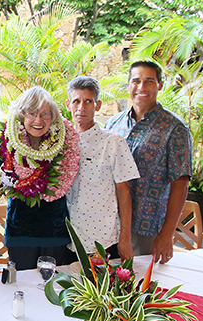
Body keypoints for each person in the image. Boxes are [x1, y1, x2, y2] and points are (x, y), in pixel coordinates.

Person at [105, 61, 192, 264]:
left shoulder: (175, 129)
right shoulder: (113, 124)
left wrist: (167, 234)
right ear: (128, 85)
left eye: (149, 81)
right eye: (136, 81)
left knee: (140, 286)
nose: (141, 87)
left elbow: (180, 184)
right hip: (109, 225)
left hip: (146, 229)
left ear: (159, 85)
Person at [0, 86, 80, 270]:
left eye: (45, 114)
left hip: (55, 231)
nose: (38, 120)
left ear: (53, 117)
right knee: (23, 285)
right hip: (20, 230)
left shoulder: (64, 138)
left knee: (51, 289)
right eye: (32, 113)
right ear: (22, 115)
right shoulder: (8, 137)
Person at [64, 76, 139, 263]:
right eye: (76, 101)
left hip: (105, 240)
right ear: (68, 105)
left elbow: (124, 192)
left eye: (88, 101)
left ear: (97, 105)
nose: (81, 107)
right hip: (67, 240)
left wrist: (125, 238)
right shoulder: (61, 143)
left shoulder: (113, 142)